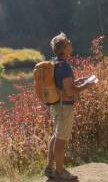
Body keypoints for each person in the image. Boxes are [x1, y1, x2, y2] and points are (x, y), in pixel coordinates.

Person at [44, 32, 95, 181]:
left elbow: (63, 85)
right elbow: (70, 91)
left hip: (55, 105)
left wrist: (78, 80)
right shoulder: (64, 66)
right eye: (68, 42)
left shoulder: (54, 63)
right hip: (64, 106)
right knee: (61, 139)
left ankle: (50, 168)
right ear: (64, 48)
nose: (70, 43)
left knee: (55, 136)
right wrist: (87, 85)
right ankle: (60, 171)